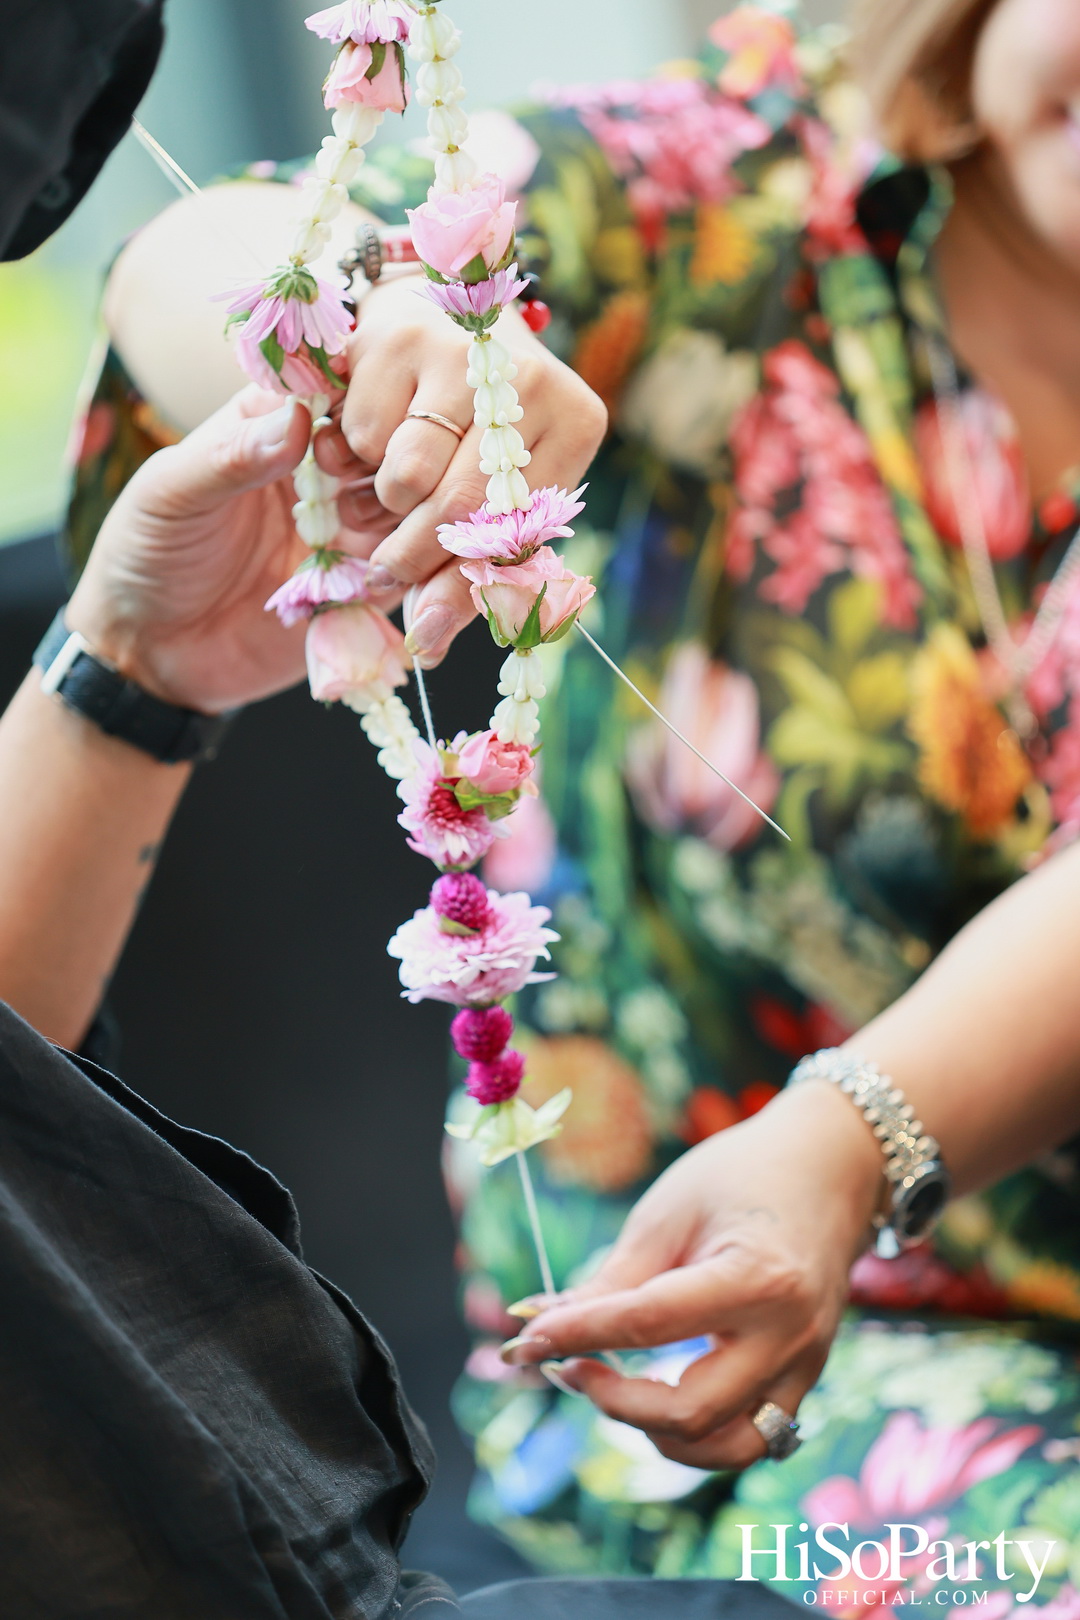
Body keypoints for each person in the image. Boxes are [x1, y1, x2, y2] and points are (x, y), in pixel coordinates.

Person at [46, 0, 1080, 1609]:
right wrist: (378, 326)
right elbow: (201, 253)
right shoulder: (727, 192)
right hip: (743, 1348)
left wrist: (853, 1137)